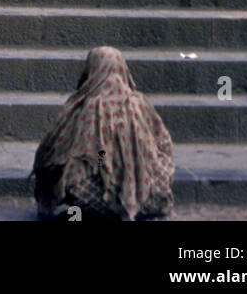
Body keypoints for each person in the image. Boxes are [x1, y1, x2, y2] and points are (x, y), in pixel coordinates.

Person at [32, 46, 174, 221]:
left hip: (96, 197)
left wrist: (102, 167)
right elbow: (164, 142)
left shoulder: (84, 106)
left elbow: (53, 149)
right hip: (147, 194)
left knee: (72, 164)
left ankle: (101, 204)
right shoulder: (139, 102)